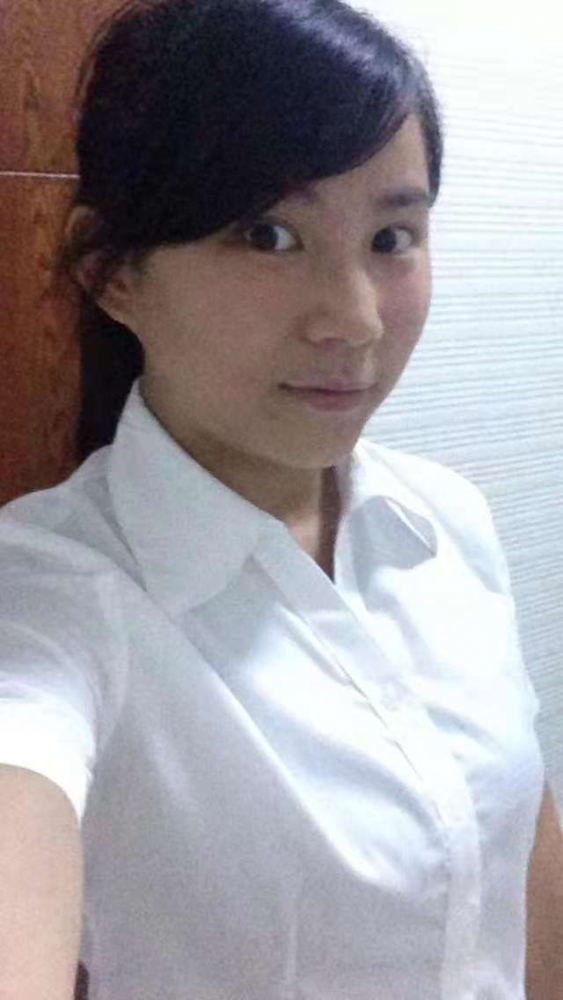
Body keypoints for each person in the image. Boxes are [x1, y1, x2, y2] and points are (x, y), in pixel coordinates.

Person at [0, 0, 557, 997]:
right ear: (113, 272)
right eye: (268, 235)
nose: (354, 319)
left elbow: (519, 855)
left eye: (391, 235)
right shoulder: (51, 595)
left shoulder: (446, 521)